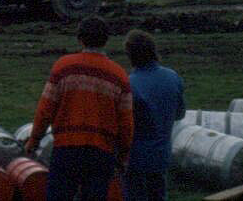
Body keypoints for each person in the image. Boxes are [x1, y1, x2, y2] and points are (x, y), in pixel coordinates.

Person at [26, 16, 134, 201]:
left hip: (66, 149)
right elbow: (126, 123)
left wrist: (34, 140)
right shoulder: (119, 75)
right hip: (101, 153)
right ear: (106, 40)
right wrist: (123, 155)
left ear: (80, 39)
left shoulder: (63, 67)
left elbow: (45, 109)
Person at [122, 30, 185, 201]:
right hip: (162, 154)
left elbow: (125, 125)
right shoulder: (173, 77)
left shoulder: (130, 84)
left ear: (130, 55)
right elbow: (180, 114)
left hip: (136, 157)